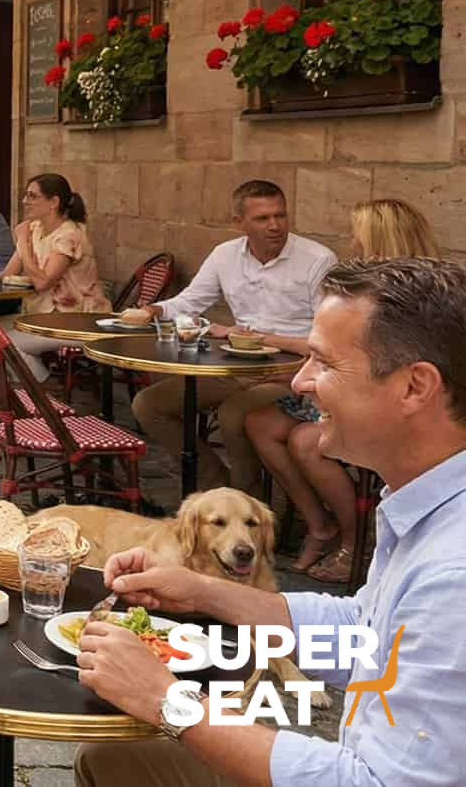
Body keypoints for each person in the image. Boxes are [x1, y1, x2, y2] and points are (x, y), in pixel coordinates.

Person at [73, 257, 466, 787]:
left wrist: (168, 701)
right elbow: (364, 639)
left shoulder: (453, 572)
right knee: (113, 761)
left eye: (324, 363)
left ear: (415, 387)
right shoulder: (428, 501)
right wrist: (201, 593)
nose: (301, 381)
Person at [245, 197, 436, 583]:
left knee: (304, 442)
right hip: (349, 391)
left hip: (389, 407)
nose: (352, 247)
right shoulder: (365, 288)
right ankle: (320, 526)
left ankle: (355, 544)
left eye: (358, 239)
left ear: (380, 241)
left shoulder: (415, 300)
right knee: (260, 422)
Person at [131, 179, 336, 493]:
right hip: (235, 363)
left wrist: (266, 343)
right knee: (149, 404)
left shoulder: (317, 259)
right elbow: (189, 302)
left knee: (234, 413)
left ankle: (249, 502)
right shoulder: (225, 255)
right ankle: (216, 486)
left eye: (280, 216)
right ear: (239, 222)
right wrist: (154, 311)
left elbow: (327, 339)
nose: (274, 225)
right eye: (262, 218)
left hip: (291, 370)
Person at [0, 174, 110, 381]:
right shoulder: (35, 228)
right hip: (41, 318)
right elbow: (7, 275)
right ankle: (26, 392)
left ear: (53, 202)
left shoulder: (69, 235)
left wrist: (22, 241)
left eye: (32, 196)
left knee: (4, 343)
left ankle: (41, 394)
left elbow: (43, 282)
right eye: (25, 195)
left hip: (78, 320)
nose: (24, 201)